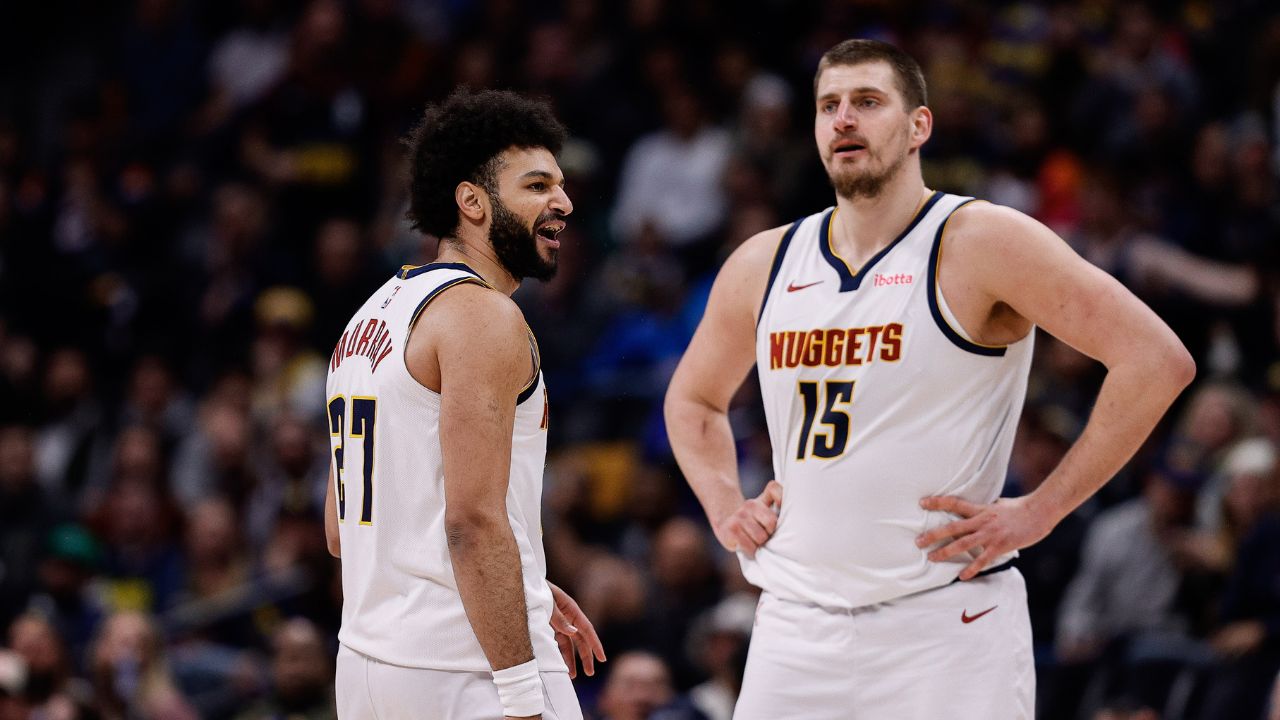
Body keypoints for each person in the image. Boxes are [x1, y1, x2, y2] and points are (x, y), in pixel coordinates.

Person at [664, 39, 1194, 719]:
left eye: (867, 102)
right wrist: (722, 505)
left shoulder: (980, 241)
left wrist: (1042, 509)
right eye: (829, 106)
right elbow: (694, 398)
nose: (844, 120)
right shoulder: (765, 261)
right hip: (794, 626)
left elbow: (1157, 359)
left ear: (919, 126)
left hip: (945, 629)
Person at [324, 88, 605, 720]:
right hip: (463, 670)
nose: (562, 202)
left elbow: (342, 530)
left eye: (560, 185)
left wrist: (520, 580)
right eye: (536, 186)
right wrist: (523, 695)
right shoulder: (482, 316)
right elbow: (471, 524)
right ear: (471, 201)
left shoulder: (369, 318)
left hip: (367, 670)